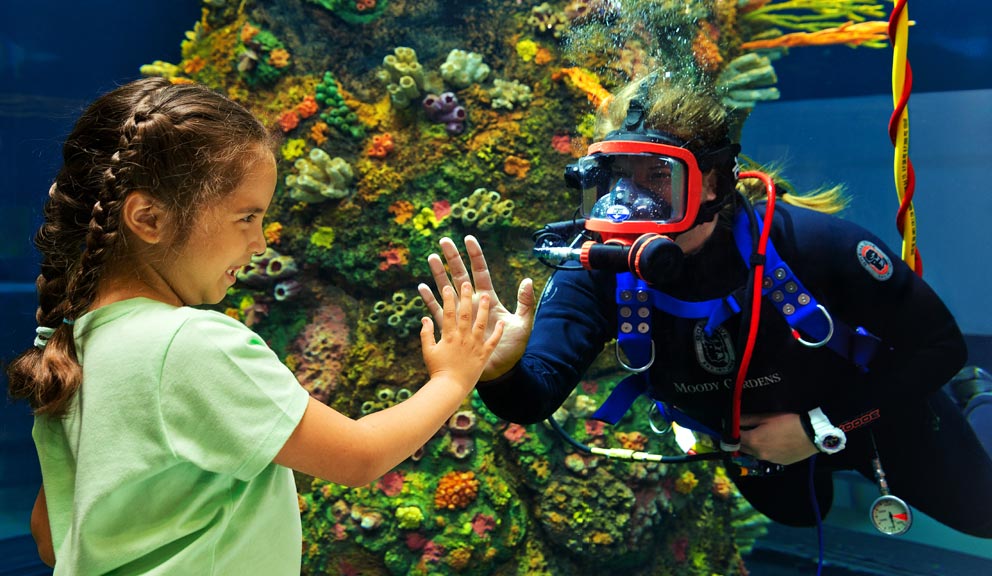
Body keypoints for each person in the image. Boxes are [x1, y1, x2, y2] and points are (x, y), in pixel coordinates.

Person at [419, 74, 992, 538]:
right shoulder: (598, 273)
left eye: (658, 180)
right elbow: (533, 397)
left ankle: (968, 398)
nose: (631, 207)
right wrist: (499, 371)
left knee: (982, 519)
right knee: (798, 515)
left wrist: (822, 428)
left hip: (874, 413)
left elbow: (939, 346)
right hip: (754, 447)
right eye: (617, 181)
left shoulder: (811, 245)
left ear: (715, 183)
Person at [5, 77, 503, 574]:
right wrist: (453, 377)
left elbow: (50, 537)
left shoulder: (74, 346)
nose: (260, 242)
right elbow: (359, 457)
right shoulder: (189, 344)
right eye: (246, 217)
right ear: (149, 218)